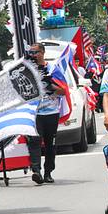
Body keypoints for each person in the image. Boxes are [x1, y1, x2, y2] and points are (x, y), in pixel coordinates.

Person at [26, 43, 65, 184]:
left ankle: (48, 172)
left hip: (51, 112)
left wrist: (50, 86)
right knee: (34, 141)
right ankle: (36, 171)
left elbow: (63, 90)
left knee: (50, 144)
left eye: (35, 52)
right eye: (30, 52)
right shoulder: (27, 69)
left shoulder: (53, 68)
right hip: (34, 113)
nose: (32, 55)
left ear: (42, 52)